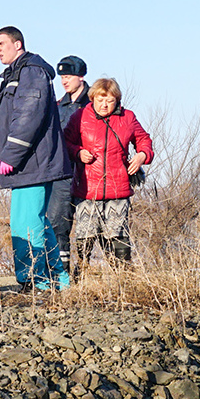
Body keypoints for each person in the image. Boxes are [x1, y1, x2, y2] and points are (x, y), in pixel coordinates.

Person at [0, 27, 71, 291]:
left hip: (31, 163)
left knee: (26, 224)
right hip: (31, 163)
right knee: (37, 221)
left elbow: (28, 115)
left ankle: (35, 281)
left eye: (2, 43)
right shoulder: (19, 72)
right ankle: (57, 280)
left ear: (18, 43)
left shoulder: (30, 71)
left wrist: (11, 153)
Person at [63, 76, 153, 271]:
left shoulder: (128, 118)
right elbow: (64, 143)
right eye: (100, 99)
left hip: (118, 188)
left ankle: (123, 279)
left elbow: (144, 140)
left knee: (118, 236)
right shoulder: (79, 117)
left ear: (117, 100)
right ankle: (82, 275)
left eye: (110, 100)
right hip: (87, 189)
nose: (104, 105)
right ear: (93, 97)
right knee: (85, 236)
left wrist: (141, 156)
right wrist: (78, 152)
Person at [50, 56, 89, 275]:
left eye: (68, 76)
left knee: (88, 228)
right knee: (58, 224)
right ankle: (60, 274)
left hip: (88, 175)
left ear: (80, 77)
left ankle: (83, 271)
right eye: (62, 77)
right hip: (62, 175)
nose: (64, 81)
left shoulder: (95, 103)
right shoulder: (57, 106)